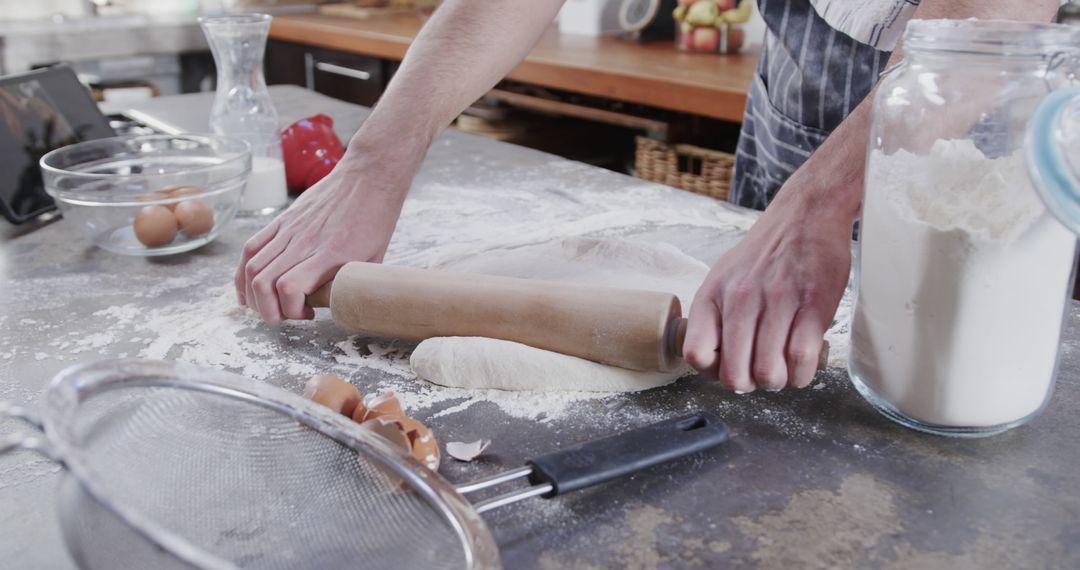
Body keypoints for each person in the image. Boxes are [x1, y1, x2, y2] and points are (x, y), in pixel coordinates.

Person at [236, 0, 1060, 393]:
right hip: (793, 96)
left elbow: (995, 20)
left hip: (969, 110)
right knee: (751, 362)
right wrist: (374, 161)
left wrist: (813, 210)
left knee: (947, 391)